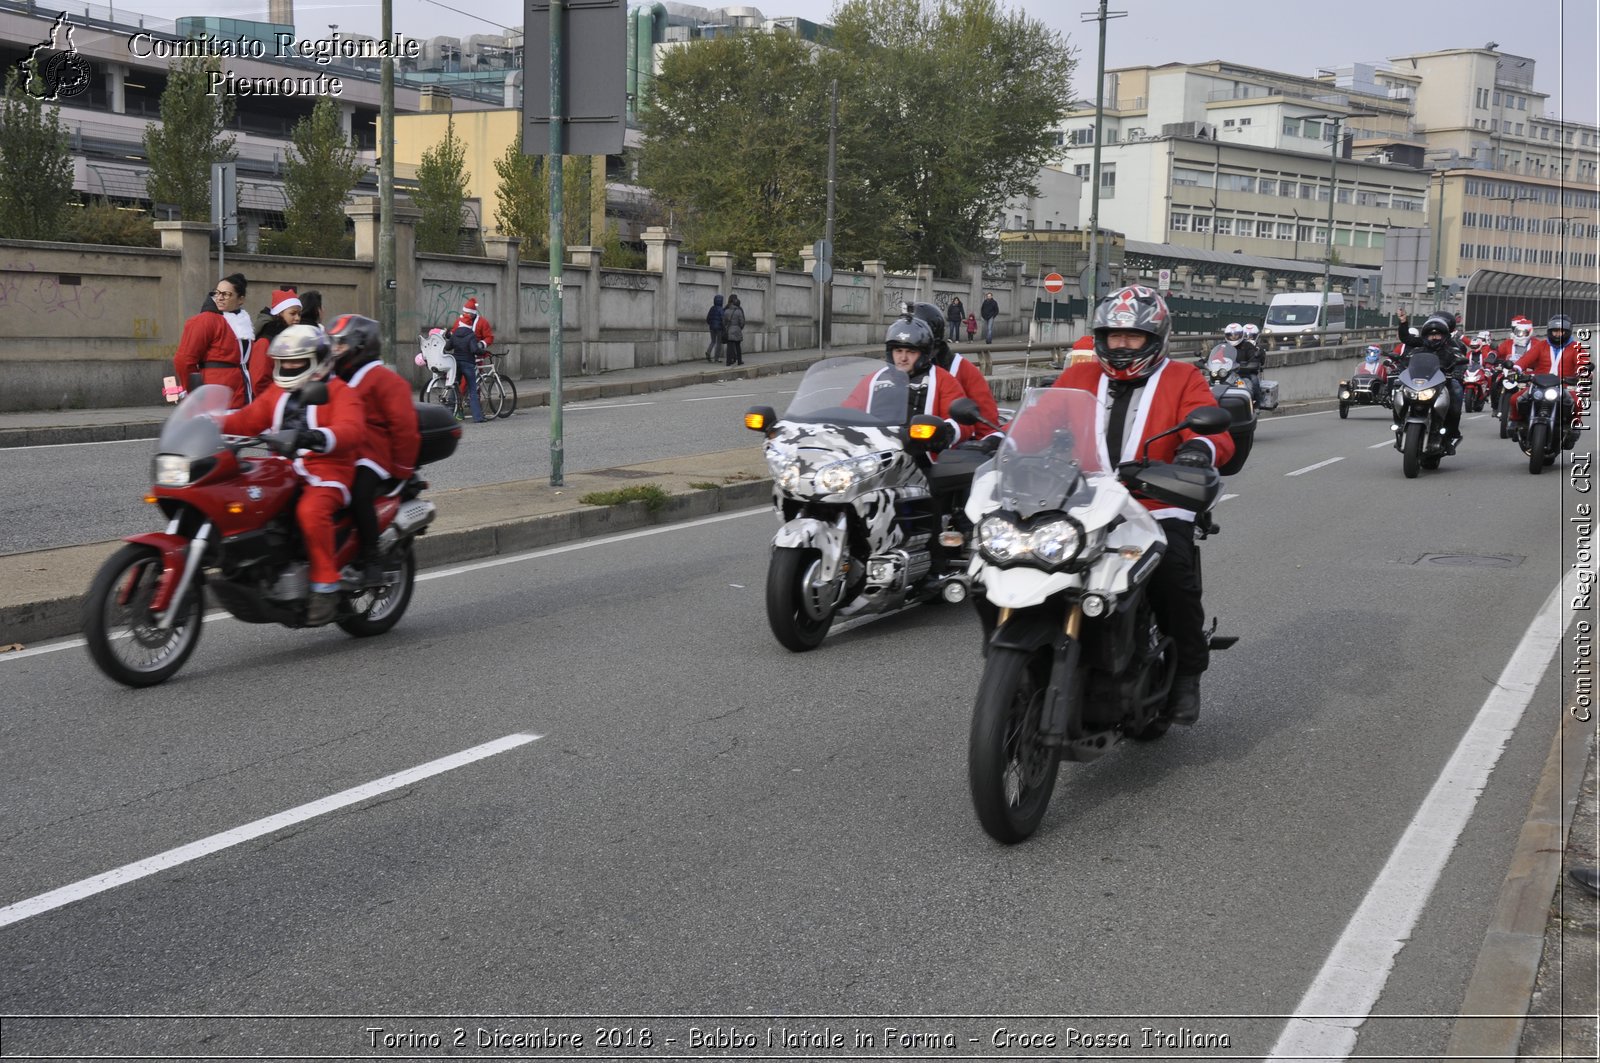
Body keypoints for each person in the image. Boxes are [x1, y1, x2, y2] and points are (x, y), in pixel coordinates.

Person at [1047, 285, 1235, 725]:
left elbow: (1215, 433)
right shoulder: (1078, 377)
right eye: (1114, 336)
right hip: (1079, 504)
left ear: (1155, 338)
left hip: (1156, 502)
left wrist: (1197, 451)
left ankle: (1188, 672)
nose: (1121, 345)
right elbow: (1038, 421)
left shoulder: (1183, 378)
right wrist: (1008, 443)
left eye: (1133, 337)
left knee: (1173, 576)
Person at [221, 325, 367, 625]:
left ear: (319, 359)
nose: (287, 367)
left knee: (310, 510)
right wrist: (210, 421)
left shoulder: (340, 391)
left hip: (327, 471)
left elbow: (351, 430)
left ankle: (325, 586)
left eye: (295, 362)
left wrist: (317, 437)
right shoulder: (277, 392)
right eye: (283, 362)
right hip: (285, 469)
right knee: (238, 488)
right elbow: (247, 420)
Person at [328, 313, 421, 587]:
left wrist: (402, 471)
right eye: (333, 344)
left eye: (341, 344)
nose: (335, 350)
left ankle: (372, 559)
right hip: (341, 451)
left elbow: (405, 428)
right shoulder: (336, 378)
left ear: (361, 345)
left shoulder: (385, 380)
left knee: (358, 494)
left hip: (371, 456)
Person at [847, 316, 972, 443]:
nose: (903, 358)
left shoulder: (942, 380)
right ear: (891, 353)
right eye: (898, 351)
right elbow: (849, 410)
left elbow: (961, 423)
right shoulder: (874, 379)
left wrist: (946, 432)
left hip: (920, 453)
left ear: (923, 354)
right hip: (876, 452)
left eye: (911, 352)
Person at [907, 301, 1000, 437]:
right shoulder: (889, 375)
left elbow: (987, 426)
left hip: (942, 451)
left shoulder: (961, 369)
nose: (904, 356)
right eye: (899, 348)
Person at [173, 273, 257, 408]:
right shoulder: (205, 320)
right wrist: (193, 392)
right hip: (214, 395)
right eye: (217, 293)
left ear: (240, 299)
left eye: (226, 294)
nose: (220, 298)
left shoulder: (244, 321)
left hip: (242, 394)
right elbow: (184, 360)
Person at [1395, 309, 1467, 452]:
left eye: (1437, 334)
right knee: (1398, 390)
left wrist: (1458, 370)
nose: (1434, 337)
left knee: (1457, 389)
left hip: (1443, 383)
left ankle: (1451, 433)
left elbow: (1461, 358)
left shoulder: (1452, 347)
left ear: (1445, 335)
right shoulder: (1419, 348)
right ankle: (1399, 424)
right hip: (1421, 383)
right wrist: (1403, 322)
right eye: (1431, 334)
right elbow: (1406, 339)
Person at [248, 288, 302, 400]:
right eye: (292, 313)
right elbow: (259, 383)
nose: (297, 318)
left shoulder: (292, 340)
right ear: (279, 314)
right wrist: (277, 403)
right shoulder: (264, 343)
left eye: (299, 314)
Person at [444, 320, 487, 423]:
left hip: (456, 364)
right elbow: (474, 350)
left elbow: (447, 347)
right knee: (472, 389)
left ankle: (450, 413)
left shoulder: (455, 334)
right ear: (469, 326)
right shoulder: (470, 335)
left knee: (455, 387)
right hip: (468, 364)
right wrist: (483, 351)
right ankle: (477, 417)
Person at [1222, 322, 1264, 404]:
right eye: (1230, 335)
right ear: (1226, 335)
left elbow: (1253, 357)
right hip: (1225, 373)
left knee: (1254, 380)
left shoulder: (1247, 345)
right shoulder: (1223, 346)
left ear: (1241, 334)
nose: (1233, 337)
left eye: (1236, 334)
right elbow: (1214, 356)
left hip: (1243, 373)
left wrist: (1251, 363)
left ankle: (1258, 403)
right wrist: (1204, 362)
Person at [723, 294, 746, 366]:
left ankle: (728, 362)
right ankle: (739, 361)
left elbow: (723, 322)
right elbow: (742, 322)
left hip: (729, 330)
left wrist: (726, 327)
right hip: (737, 330)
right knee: (738, 346)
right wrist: (740, 327)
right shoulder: (739, 311)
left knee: (729, 346)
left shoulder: (726, 311)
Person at [705, 295, 725, 363]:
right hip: (719, 328)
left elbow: (707, 319)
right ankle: (716, 358)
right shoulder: (721, 309)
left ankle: (708, 352)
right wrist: (723, 327)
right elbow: (723, 319)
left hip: (712, 327)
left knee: (713, 341)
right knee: (718, 343)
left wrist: (711, 324)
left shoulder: (712, 308)